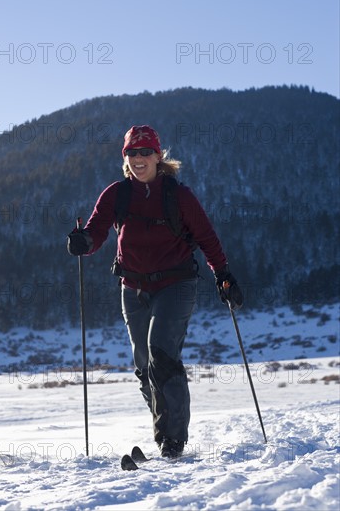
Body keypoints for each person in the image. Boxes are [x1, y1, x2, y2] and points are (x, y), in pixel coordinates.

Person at [67, 125, 243, 458]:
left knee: (161, 351)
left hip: (176, 284)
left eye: (145, 152)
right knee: (144, 363)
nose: (138, 159)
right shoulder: (116, 194)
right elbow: (96, 231)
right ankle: (165, 430)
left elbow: (207, 238)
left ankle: (171, 441)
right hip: (132, 286)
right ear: (125, 159)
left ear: (158, 156)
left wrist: (224, 276)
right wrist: (84, 242)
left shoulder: (178, 195)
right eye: (131, 153)